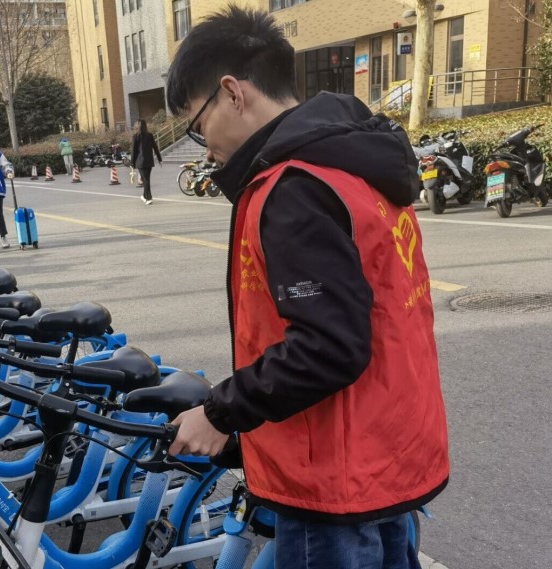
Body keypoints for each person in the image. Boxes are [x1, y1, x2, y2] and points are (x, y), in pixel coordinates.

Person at [164, 7, 448, 569]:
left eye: (198, 126)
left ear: (232, 92)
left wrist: (219, 413)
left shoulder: (293, 188)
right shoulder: (354, 165)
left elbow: (327, 346)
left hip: (333, 481)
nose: (205, 148)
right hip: (386, 452)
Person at [131, 120, 162, 205]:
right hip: (149, 161)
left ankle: (149, 198)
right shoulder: (150, 135)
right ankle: (145, 196)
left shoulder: (135, 136)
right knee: (146, 179)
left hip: (140, 162)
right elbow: (155, 147)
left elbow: (133, 151)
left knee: (145, 180)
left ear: (137, 126)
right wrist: (159, 159)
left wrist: (132, 163)